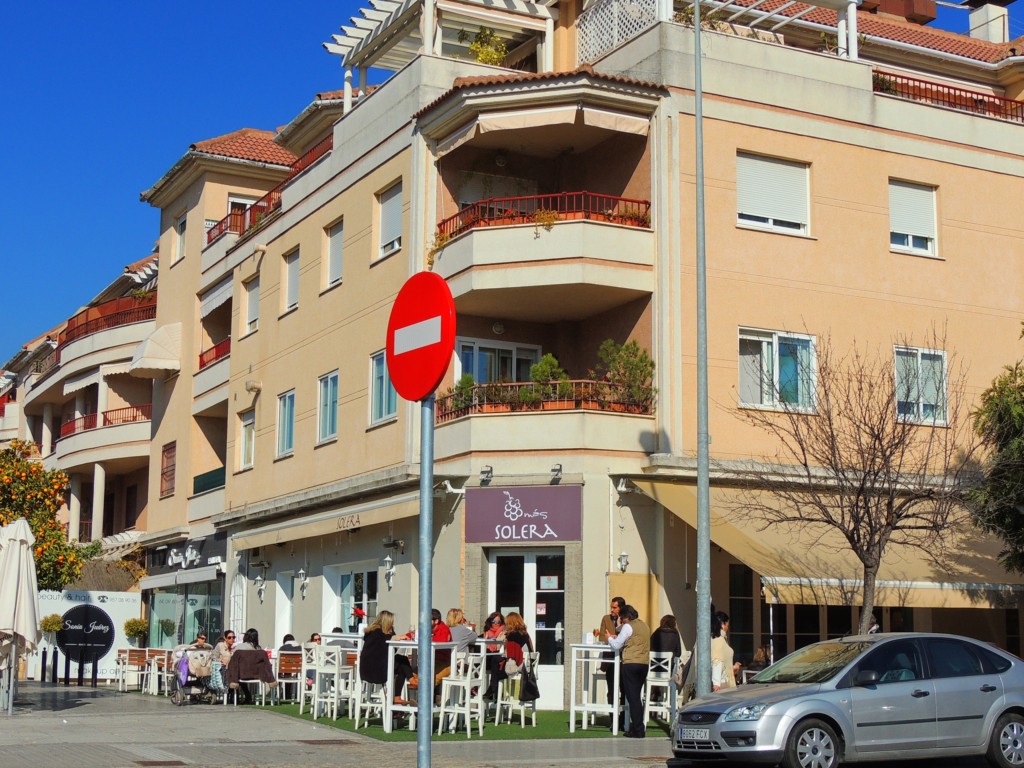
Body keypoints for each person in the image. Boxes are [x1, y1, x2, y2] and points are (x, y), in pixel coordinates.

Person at [609, 605, 650, 738]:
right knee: (636, 697)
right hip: (643, 663)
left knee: (633, 698)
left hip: (631, 663)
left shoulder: (628, 626)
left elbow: (617, 645)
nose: (621, 620)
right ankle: (638, 727)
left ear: (626, 617)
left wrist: (609, 638)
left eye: (621, 618)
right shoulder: (644, 625)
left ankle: (638, 729)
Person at [360, 610, 414, 705]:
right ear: (387, 622)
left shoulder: (373, 632)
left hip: (368, 669)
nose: (393, 624)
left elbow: (392, 648)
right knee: (402, 660)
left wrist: (392, 633)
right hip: (376, 670)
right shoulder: (377, 633)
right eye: (391, 622)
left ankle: (397, 697)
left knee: (402, 665)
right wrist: (396, 637)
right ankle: (412, 681)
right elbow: (387, 640)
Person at [649, 615, 684, 702]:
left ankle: (655, 692)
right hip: (668, 669)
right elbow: (678, 653)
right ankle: (663, 697)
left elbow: (650, 648)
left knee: (657, 669)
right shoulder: (675, 634)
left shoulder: (656, 633)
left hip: (653, 669)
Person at [600, 596, 626, 708]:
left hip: (624, 658)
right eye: (611, 607)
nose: (612, 610)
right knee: (611, 687)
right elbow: (602, 636)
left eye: (614, 608)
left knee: (624, 687)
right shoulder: (606, 618)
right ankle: (612, 715)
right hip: (610, 657)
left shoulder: (627, 620)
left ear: (621, 608)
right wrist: (612, 639)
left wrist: (615, 637)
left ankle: (623, 715)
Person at [481, 612, 506, 700]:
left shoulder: (503, 631)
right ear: (490, 622)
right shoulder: (487, 631)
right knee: (483, 660)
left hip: (500, 658)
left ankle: (494, 690)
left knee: (495, 659)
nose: (496, 624)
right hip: (489, 658)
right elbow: (484, 646)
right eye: (494, 621)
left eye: (498, 622)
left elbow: (500, 646)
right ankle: (476, 688)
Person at [710, 611, 736, 692]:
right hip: (721, 685)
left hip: (716, 682)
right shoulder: (719, 640)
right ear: (722, 624)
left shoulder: (710, 637)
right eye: (727, 625)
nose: (727, 628)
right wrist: (716, 684)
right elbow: (717, 661)